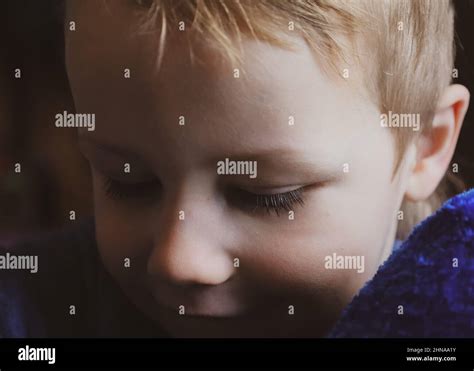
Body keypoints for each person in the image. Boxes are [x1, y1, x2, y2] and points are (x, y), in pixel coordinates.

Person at [0, 0, 470, 338]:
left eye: (266, 195)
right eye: (127, 181)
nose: (178, 260)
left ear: (424, 146)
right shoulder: (36, 309)